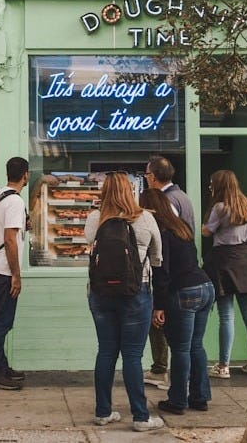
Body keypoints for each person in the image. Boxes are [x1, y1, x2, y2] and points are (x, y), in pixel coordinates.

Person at [83, 171, 165, 432]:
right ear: (130, 191)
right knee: (132, 354)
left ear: (104, 191)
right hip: (135, 293)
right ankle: (141, 417)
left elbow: (88, 245)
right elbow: (158, 257)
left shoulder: (95, 218)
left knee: (106, 351)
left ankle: (103, 412)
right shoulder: (145, 218)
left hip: (100, 294)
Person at [140, 188, 214, 415]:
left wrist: (158, 305)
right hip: (205, 287)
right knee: (196, 346)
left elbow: (162, 272)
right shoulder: (181, 227)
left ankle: (178, 400)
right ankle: (200, 397)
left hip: (183, 292)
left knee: (180, 348)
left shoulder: (161, 232)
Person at [201, 169, 247, 379]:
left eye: (212, 183)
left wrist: (204, 226)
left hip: (224, 263)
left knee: (226, 316)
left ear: (219, 186)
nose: (210, 187)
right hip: (246, 263)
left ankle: (223, 366)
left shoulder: (220, 208)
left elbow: (207, 232)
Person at [142, 156, 194, 389]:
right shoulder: (183, 196)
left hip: (173, 275)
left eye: (146, 175)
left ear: (153, 177)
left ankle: (163, 372)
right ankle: (188, 383)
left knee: (166, 328)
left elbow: (161, 252)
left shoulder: (166, 201)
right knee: (191, 343)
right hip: (188, 271)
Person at [0, 157, 29, 391]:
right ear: (26, 175)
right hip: (2, 270)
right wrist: (16, 275)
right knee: (0, 323)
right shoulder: (14, 202)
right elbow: (9, 240)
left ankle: (1, 365)